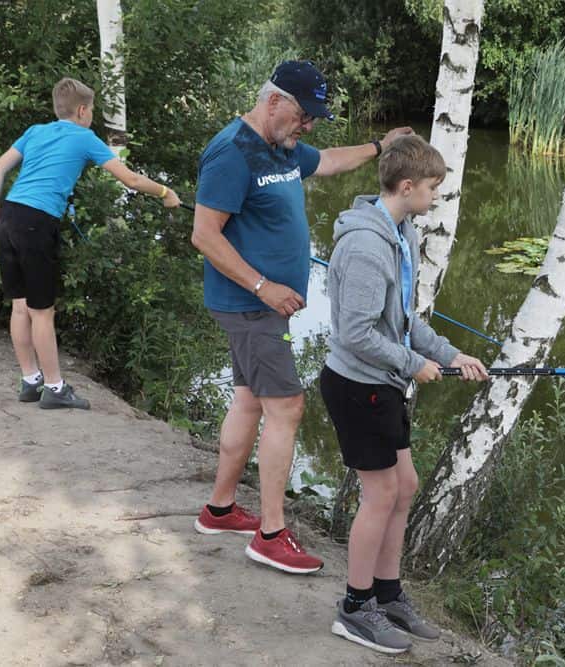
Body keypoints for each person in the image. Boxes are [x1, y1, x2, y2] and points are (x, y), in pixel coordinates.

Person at [190, 60, 413, 574]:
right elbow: (204, 235)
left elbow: (329, 160)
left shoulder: (281, 146)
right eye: (302, 115)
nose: (307, 125)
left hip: (260, 308)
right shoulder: (232, 152)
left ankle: (219, 509)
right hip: (251, 307)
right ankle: (271, 534)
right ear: (273, 101)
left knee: (248, 401)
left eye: (312, 117)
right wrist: (264, 287)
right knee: (287, 408)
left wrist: (381, 147)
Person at [319, 134, 488, 653]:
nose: (435, 197)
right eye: (433, 188)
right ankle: (355, 607)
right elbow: (357, 334)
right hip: (356, 385)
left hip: (382, 385)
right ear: (408, 185)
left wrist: (446, 354)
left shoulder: (401, 231)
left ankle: (388, 594)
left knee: (405, 484)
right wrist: (415, 366)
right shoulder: (368, 244)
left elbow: (403, 318)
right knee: (382, 494)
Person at [0, 77, 181, 410]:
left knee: (19, 305)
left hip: (10, 216)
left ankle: (31, 381)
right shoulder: (84, 137)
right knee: (42, 312)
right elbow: (129, 178)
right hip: (36, 223)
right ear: (84, 110)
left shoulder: (35, 131)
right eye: (93, 111)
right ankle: (55, 388)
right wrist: (165, 192)